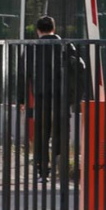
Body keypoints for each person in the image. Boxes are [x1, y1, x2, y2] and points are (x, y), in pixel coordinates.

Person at [30, 15, 65, 180]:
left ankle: (43, 170)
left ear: (38, 30)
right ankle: (61, 167)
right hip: (61, 97)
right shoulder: (65, 46)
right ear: (54, 28)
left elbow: (24, 73)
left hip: (41, 97)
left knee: (42, 135)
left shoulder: (33, 47)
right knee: (60, 132)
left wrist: (22, 99)